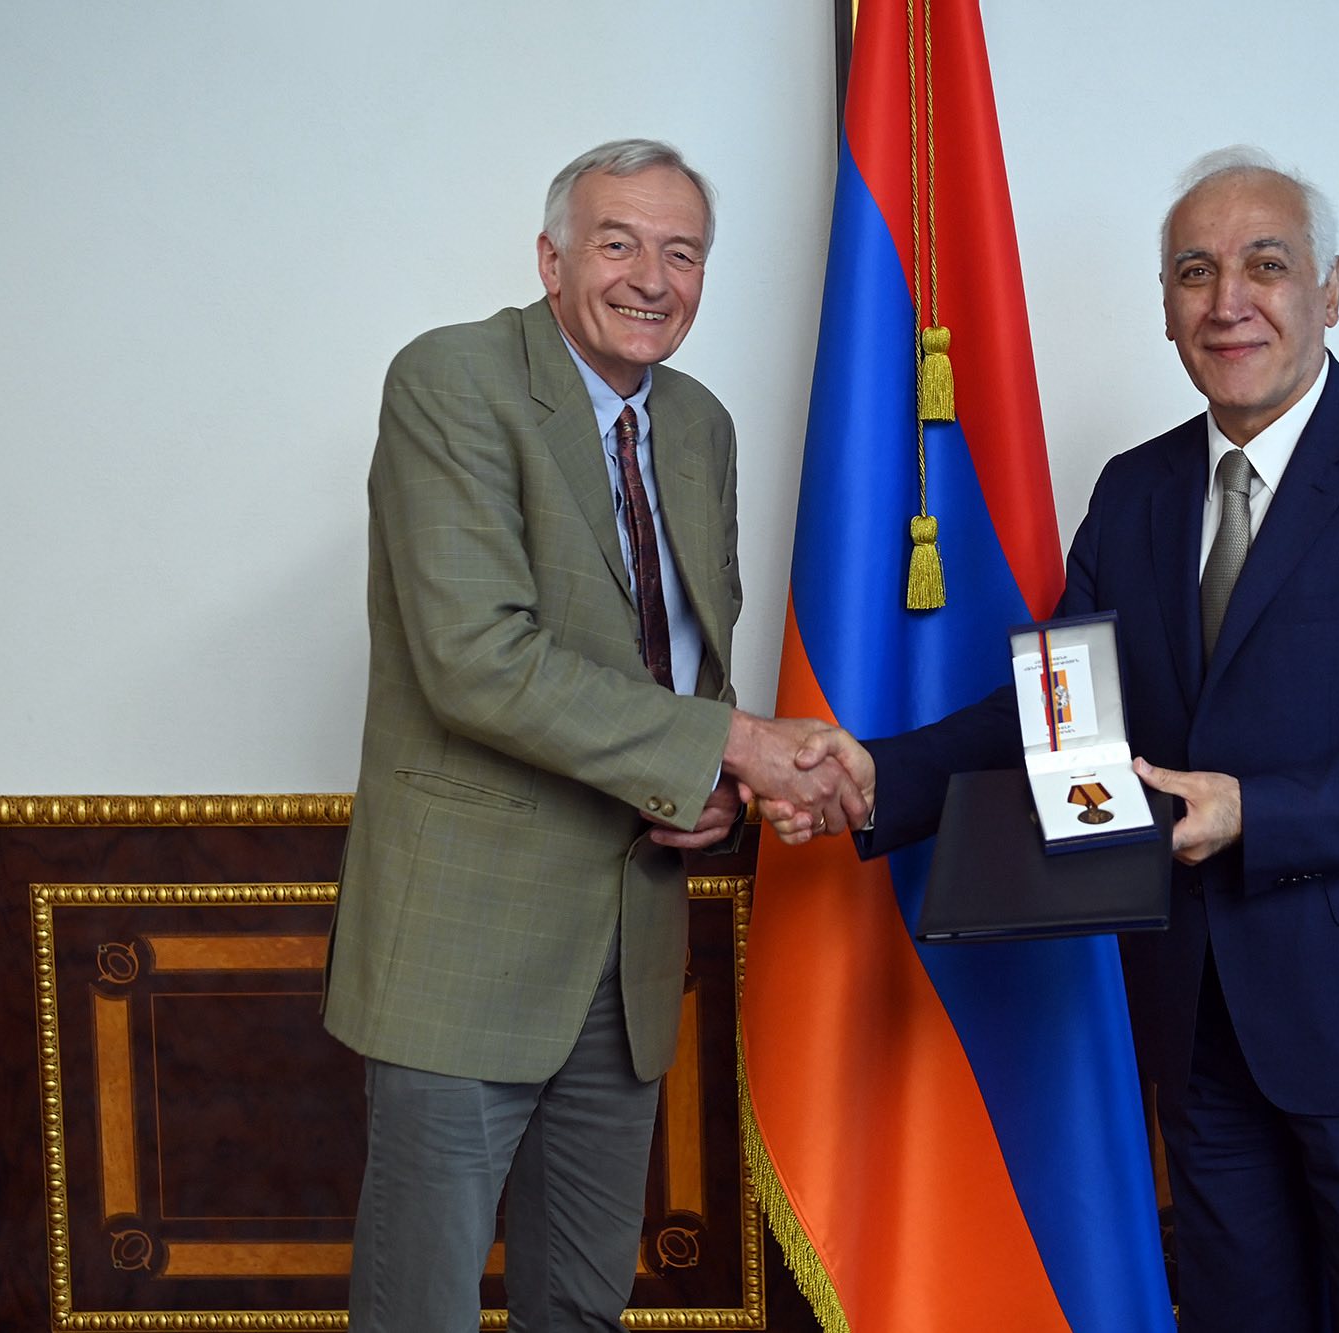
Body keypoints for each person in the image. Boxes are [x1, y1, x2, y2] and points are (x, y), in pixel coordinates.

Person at [774, 146, 1339, 1331]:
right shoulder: (1134, 491)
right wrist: (884, 772)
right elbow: (1061, 711)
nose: (1225, 299)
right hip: (1197, 1024)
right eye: (1193, 271)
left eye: (1263, 265)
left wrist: (1255, 810)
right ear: (1167, 309)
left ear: (1328, 290)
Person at [323, 139, 865, 1333]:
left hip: (624, 951)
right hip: (462, 947)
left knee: (583, 1304)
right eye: (618, 243)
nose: (651, 278)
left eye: (682, 252)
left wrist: (707, 790)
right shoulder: (452, 380)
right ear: (551, 258)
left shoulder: (701, 426)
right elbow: (478, 661)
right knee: (420, 1306)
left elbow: (681, 665)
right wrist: (725, 745)